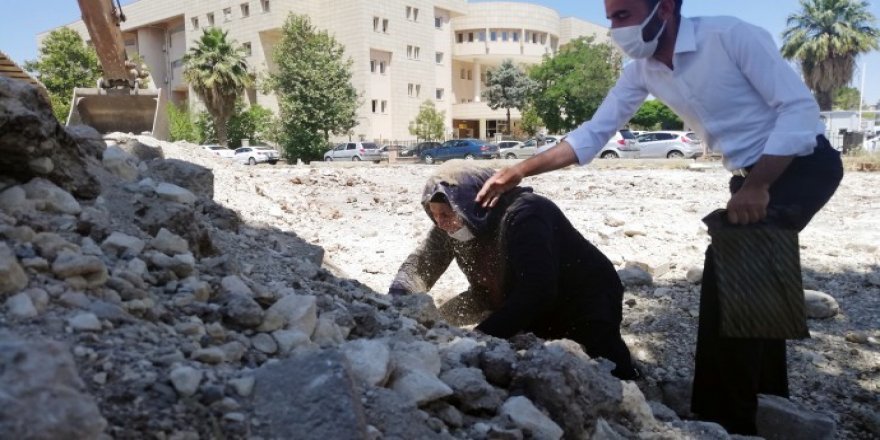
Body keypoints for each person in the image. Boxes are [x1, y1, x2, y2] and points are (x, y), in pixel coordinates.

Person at [475, 0, 843, 435]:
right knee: (756, 278)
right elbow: (594, 133)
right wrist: (518, 169)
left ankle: (725, 419)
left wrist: (759, 186)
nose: (614, 28)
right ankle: (769, 402)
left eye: (624, 16)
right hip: (749, 177)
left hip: (799, 164)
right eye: (610, 18)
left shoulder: (730, 36)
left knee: (730, 281)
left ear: (665, 8)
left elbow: (799, 110)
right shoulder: (642, 69)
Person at [389, 161, 639, 380]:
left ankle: (633, 385)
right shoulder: (453, 225)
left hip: (584, 296)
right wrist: (394, 306)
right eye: (434, 216)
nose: (441, 223)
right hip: (507, 296)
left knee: (604, 360)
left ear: (476, 202)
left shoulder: (527, 214)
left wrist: (478, 338)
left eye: (445, 213)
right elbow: (420, 265)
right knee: (439, 322)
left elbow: (537, 291)